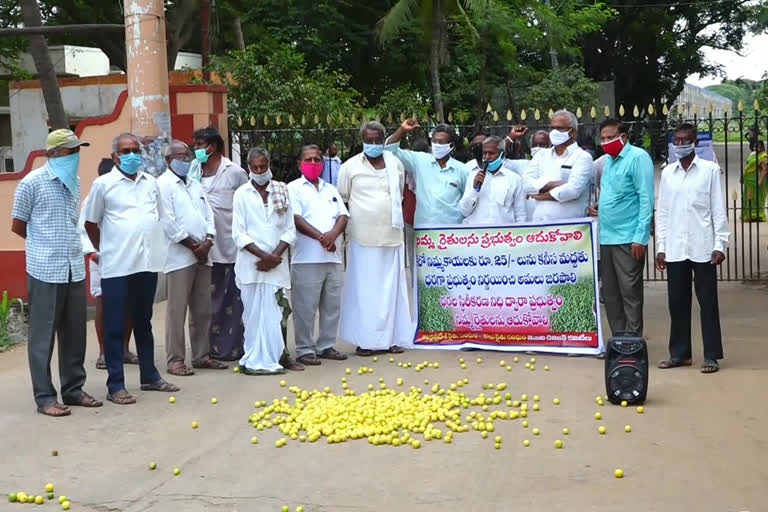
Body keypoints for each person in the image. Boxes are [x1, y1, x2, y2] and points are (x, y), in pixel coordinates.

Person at [11, 129, 102, 417]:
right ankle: (45, 397)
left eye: (77, 150)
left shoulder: (74, 181)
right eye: (69, 151)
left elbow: (73, 222)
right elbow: (18, 226)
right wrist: (44, 246)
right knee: (43, 336)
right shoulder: (31, 183)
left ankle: (73, 389)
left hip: (73, 268)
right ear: (52, 154)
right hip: (45, 268)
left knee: (75, 332)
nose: (75, 156)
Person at [84, 133, 179, 404]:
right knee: (115, 325)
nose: (132, 155)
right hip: (116, 266)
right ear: (115, 157)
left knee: (143, 322)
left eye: (135, 150)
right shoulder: (103, 185)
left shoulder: (151, 183)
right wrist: (107, 250)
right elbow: (91, 223)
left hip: (146, 265)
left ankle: (150, 376)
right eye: (126, 151)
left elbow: (158, 217)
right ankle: (116, 385)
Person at [655, 124, 729, 374]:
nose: (681, 143)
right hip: (676, 246)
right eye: (677, 139)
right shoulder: (668, 173)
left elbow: (718, 209)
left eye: (686, 139)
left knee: (707, 301)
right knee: (676, 301)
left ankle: (711, 355)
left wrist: (720, 243)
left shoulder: (709, 171)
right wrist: (661, 247)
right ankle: (680, 353)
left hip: (703, 245)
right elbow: (663, 212)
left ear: (696, 143)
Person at [338, 121, 414, 356]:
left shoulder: (395, 164)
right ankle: (366, 341)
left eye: (377, 140)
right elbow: (343, 197)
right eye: (369, 140)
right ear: (362, 140)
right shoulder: (350, 167)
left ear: (383, 140)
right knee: (365, 291)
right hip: (363, 238)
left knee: (391, 290)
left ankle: (391, 339)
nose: (373, 144)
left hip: (391, 237)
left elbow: (399, 194)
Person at [158, 140, 228, 376]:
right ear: (168, 160)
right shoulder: (163, 185)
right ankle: (175, 359)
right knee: (177, 311)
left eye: (187, 156)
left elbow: (208, 214)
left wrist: (207, 241)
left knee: (202, 309)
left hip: (202, 254)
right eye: (180, 156)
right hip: (179, 256)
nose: (186, 160)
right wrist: (192, 245)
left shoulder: (195, 185)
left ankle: (201, 355)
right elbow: (167, 221)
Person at [232, 147, 298, 375]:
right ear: (248, 167)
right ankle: (253, 357)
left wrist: (275, 257)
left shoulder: (282, 190)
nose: (260, 171)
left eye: (263, 166)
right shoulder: (241, 193)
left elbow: (290, 229)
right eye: (255, 167)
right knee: (252, 314)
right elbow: (239, 233)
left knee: (279, 311)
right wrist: (264, 257)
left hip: (277, 264)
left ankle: (280, 355)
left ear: (269, 163)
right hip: (252, 264)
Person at [589, 119, 654, 337]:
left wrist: (640, 238)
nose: (606, 142)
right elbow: (615, 193)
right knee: (610, 293)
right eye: (603, 138)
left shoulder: (638, 158)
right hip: (606, 237)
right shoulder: (608, 161)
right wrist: (601, 206)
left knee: (630, 292)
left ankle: (633, 340)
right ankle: (619, 339)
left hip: (628, 238)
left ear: (623, 137)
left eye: (610, 137)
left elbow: (646, 199)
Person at [287, 144, 350, 365]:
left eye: (317, 160)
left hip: (332, 258)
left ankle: (326, 345)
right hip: (306, 258)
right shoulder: (292, 188)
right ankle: (304, 348)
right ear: (299, 163)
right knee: (305, 308)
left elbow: (343, 215)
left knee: (331, 306)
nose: (313, 163)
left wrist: (332, 235)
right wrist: (322, 238)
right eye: (308, 159)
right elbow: (296, 219)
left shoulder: (330, 189)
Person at [193, 127, 249, 361]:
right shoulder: (192, 171)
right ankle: (206, 350)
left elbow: (247, 203)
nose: (195, 149)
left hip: (227, 247)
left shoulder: (233, 172)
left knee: (230, 302)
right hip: (199, 249)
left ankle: (231, 348)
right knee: (205, 303)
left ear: (212, 146)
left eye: (198, 144)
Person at [80, 158, 138, 370]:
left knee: (129, 302)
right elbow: (83, 229)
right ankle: (104, 352)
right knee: (103, 302)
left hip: (127, 258)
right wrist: (94, 253)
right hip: (101, 258)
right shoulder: (91, 199)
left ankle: (124, 348)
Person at [385, 119, 470, 225]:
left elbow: (469, 201)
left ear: (451, 145)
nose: (436, 145)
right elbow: (390, 151)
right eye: (434, 141)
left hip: (451, 231)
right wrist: (402, 130)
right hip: (424, 231)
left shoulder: (462, 170)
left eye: (441, 142)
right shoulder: (420, 160)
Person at [522, 110, 593, 222]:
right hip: (539, 225)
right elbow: (525, 184)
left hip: (570, 228)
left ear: (572, 132)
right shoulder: (541, 155)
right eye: (552, 128)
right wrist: (555, 184)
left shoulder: (583, 157)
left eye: (559, 128)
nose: (554, 132)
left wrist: (539, 194)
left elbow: (573, 190)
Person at [459, 135, 527, 225]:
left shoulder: (514, 179)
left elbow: (520, 214)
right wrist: (474, 190)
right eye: (484, 153)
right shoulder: (473, 176)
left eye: (491, 153)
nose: (486, 157)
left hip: (502, 234)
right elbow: (464, 211)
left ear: (502, 154)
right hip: (477, 232)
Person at [741, 140, 767, 222]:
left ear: (762, 147)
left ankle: (757, 215)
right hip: (748, 181)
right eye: (755, 146)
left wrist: (760, 181)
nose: (756, 148)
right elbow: (747, 165)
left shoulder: (763, 156)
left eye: (758, 147)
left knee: (757, 198)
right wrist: (742, 176)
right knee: (748, 198)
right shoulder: (753, 154)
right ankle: (748, 215)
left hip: (757, 181)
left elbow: (764, 170)